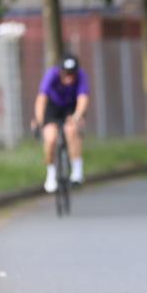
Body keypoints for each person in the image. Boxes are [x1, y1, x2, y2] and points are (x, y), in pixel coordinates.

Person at [34, 53, 90, 193]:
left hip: (71, 107)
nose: (70, 77)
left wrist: (77, 116)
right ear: (60, 71)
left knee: (71, 130)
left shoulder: (81, 76)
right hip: (53, 107)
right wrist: (40, 122)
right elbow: (41, 99)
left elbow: (83, 98)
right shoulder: (51, 75)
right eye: (66, 74)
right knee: (51, 138)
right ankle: (51, 174)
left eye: (73, 74)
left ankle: (77, 171)